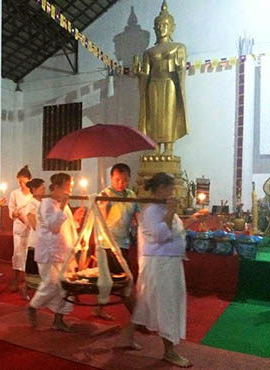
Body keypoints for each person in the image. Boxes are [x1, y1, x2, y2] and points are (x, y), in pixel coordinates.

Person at [122, 172, 198, 368]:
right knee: (166, 306)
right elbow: (160, 235)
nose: (173, 192)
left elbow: (175, 231)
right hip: (159, 264)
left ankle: (127, 336)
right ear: (161, 189)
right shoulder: (151, 211)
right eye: (170, 188)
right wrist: (171, 212)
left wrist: (191, 219)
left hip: (169, 262)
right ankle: (169, 351)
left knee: (147, 303)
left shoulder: (163, 208)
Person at [27, 173, 85, 332]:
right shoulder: (46, 203)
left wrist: (77, 220)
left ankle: (58, 319)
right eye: (68, 186)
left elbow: (67, 227)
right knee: (52, 284)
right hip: (50, 253)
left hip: (65, 252)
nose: (70, 190)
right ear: (57, 187)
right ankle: (33, 306)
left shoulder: (62, 205)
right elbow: (53, 226)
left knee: (66, 287)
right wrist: (63, 205)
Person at [132, 0, 187, 156]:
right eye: (159, 25)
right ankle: (155, 148)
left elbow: (181, 68)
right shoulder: (149, 52)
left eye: (165, 25)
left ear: (171, 28)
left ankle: (168, 149)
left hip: (169, 83)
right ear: (155, 28)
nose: (162, 28)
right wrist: (138, 73)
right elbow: (146, 73)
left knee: (168, 114)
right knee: (154, 116)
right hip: (153, 85)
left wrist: (179, 65)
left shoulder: (178, 47)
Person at [96, 163, 139, 320]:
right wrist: (104, 206)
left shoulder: (132, 195)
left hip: (124, 242)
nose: (121, 184)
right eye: (117, 180)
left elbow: (137, 217)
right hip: (108, 244)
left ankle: (99, 307)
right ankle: (136, 316)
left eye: (125, 180)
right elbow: (100, 220)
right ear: (111, 178)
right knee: (124, 279)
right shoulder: (105, 195)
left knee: (109, 277)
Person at [8, 165, 32, 292]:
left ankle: (28, 280)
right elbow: (11, 209)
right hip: (19, 228)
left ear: (30, 180)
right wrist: (14, 214)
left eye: (24, 182)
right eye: (19, 182)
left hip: (31, 228)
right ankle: (16, 279)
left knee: (29, 253)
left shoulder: (33, 195)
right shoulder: (14, 194)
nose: (22, 185)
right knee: (17, 253)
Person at [24, 178, 45, 299]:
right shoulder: (31, 204)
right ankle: (26, 289)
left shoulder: (44, 202)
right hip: (36, 240)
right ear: (34, 190)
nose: (44, 190)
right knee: (33, 270)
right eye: (42, 188)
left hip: (44, 239)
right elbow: (34, 224)